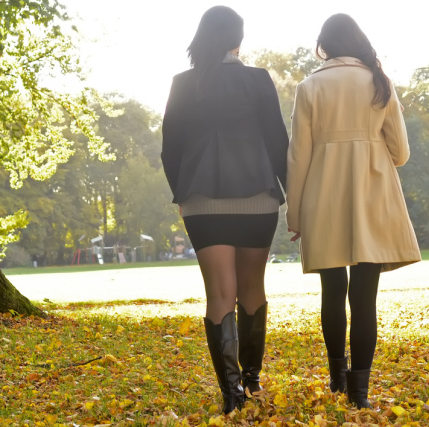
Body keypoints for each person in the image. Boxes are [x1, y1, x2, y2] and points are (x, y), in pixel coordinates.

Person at [285, 13, 422, 409]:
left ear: (324, 47)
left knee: (332, 292)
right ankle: (360, 393)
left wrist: (295, 214)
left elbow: (298, 158)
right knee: (365, 298)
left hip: (323, 197)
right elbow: (401, 153)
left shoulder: (309, 87)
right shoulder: (379, 82)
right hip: (372, 195)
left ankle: (337, 379)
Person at [160, 5, 289, 415]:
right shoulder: (258, 79)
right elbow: (278, 143)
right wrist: (293, 195)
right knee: (252, 288)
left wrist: (183, 194)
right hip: (258, 198)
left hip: (202, 202)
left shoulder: (183, 83)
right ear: (238, 39)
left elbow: (169, 151)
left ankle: (231, 395)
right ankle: (251, 380)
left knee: (218, 294)